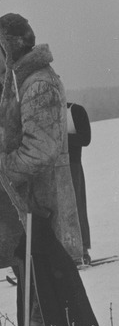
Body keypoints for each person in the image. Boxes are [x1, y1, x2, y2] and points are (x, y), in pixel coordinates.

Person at [0, 13, 113, 326]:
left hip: (43, 210)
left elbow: (41, 148)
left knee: (58, 298)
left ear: (12, 47)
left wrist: (3, 169)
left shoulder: (38, 83)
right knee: (37, 296)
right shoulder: (16, 82)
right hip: (26, 212)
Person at [67, 101, 92, 265]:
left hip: (72, 165)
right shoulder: (39, 114)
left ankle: (82, 250)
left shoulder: (74, 110)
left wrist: (61, 137)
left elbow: (85, 138)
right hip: (47, 169)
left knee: (76, 208)